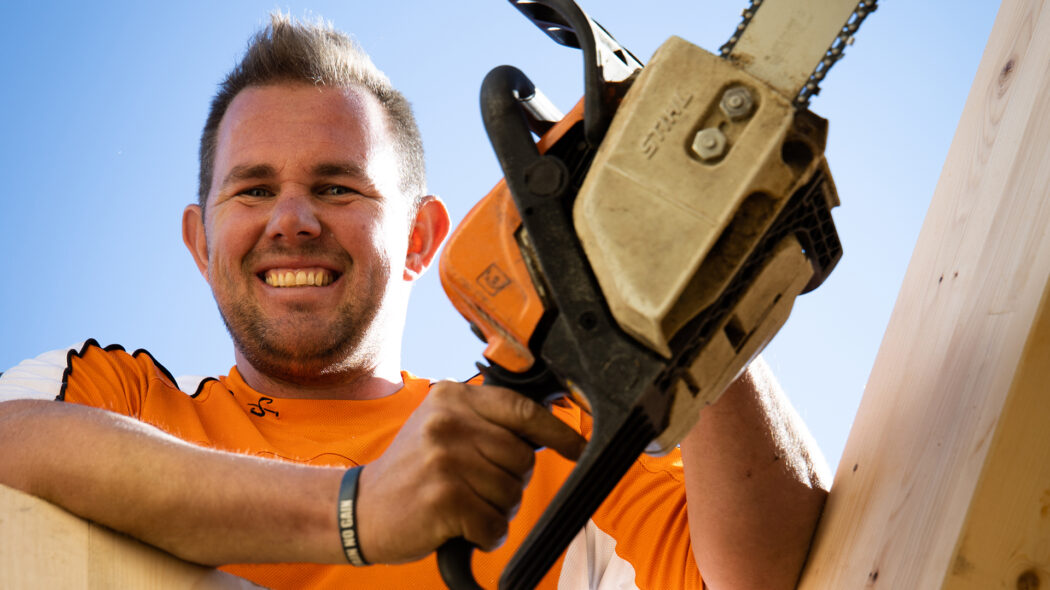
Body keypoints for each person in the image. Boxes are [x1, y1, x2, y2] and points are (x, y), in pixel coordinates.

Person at [0, 14, 829, 590]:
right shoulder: (111, 400)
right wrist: (358, 514)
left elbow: (768, 573)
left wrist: (694, 294)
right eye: (252, 190)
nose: (291, 220)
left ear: (424, 237)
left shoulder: (538, 443)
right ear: (198, 240)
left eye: (337, 185)